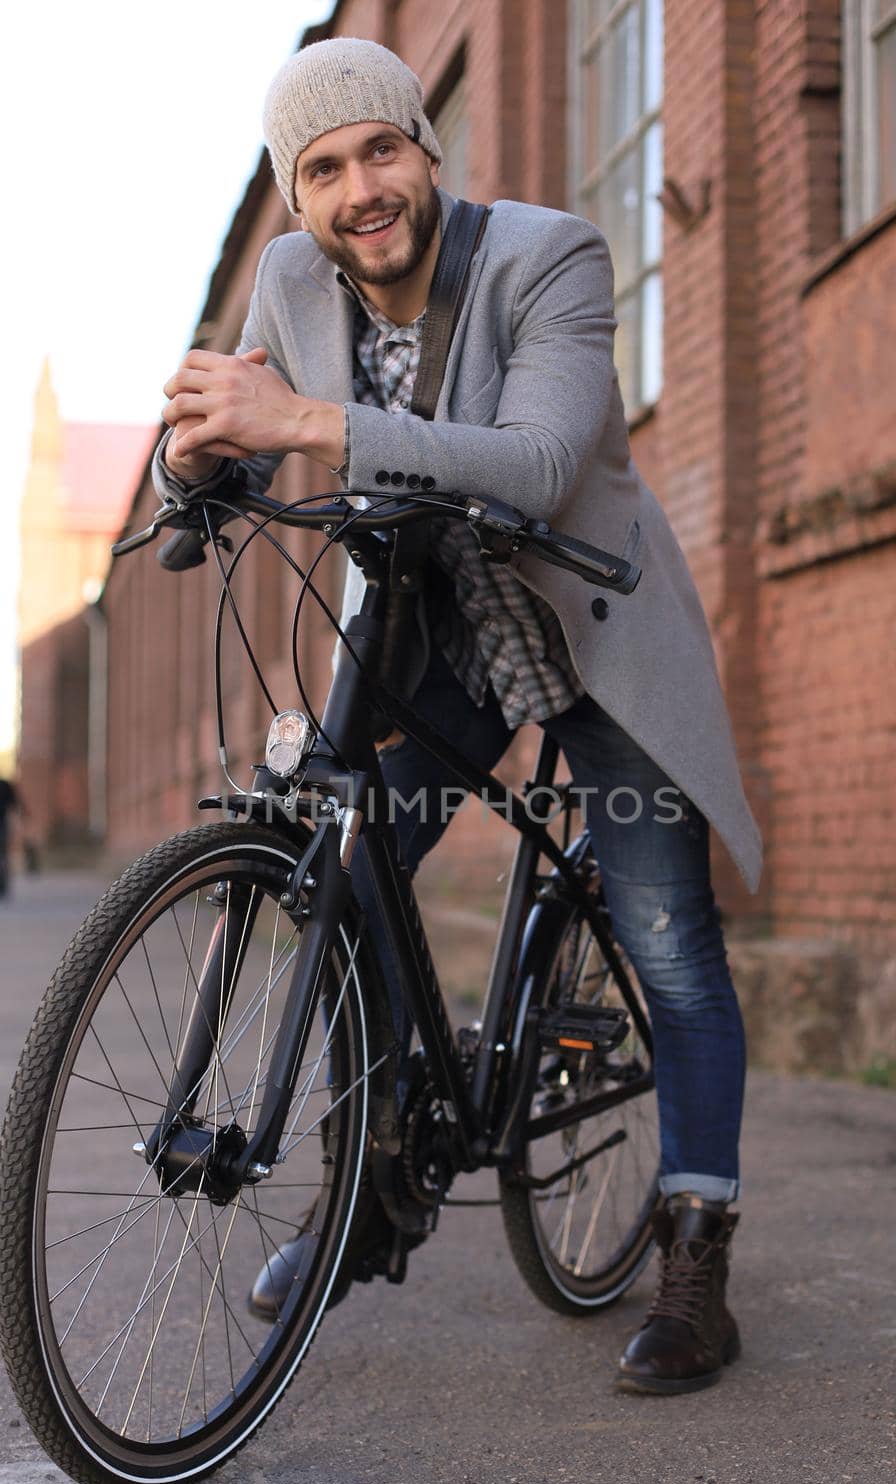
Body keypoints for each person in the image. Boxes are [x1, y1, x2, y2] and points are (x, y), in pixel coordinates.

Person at [153, 37, 762, 1395]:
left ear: (427, 150)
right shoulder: (292, 277)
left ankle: (696, 1250)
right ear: (296, 196)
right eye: (322, 169)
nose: (359, 188)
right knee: (345, 866)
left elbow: (541, 465)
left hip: (592, 626)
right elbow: (239, 424)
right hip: (433, 631)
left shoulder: (552, 258)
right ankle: (368, 1175)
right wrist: (188, 456)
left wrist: (302, 416)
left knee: (666, 938)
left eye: (381, 150)